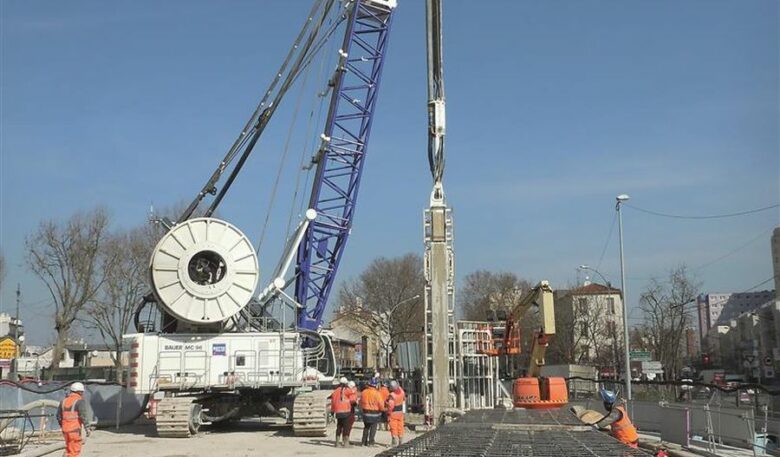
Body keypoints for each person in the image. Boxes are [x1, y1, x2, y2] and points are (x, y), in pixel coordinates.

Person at [57, 382, 93, 457]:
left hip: (65, 431)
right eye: (82, 392)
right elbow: (83, 416)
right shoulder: (79, 401)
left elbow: (58, 416)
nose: (82, 394)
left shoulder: (63, 401)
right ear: (79, 392)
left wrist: (63, 426)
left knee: (68, 449)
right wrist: (87, 428)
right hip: (74, 431)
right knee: (74, 452)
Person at [330, 377, 357, 447]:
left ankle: (337, 443)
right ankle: (346, 443)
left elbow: (333, 402)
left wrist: (332, 411)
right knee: (346, 427)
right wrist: (353, 387)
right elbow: (353, 392)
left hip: (338, 412)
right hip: (346, 411)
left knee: (339, 427)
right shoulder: (346, 390)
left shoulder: (335, 391)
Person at [359, 378, 384, 446]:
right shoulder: (377, 393)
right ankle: (371, 442)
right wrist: (382, 409)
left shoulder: (364, 392)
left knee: (366, 427)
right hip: (375, 413)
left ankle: (363, 442)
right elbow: (381, 404)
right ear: (375, 385)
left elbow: (360, 402)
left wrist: (361, 410)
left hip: (365, 412)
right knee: (373, 427)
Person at [385, 380, 406, 446]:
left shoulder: (392, 395)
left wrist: (388, 413)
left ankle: (394, 442)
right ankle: (401, 440)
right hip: (400, 413)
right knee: (400, 427)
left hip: (393, 413)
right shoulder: (402, 392)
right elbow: (404, 399)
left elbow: (391, 406)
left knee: (393, 427)